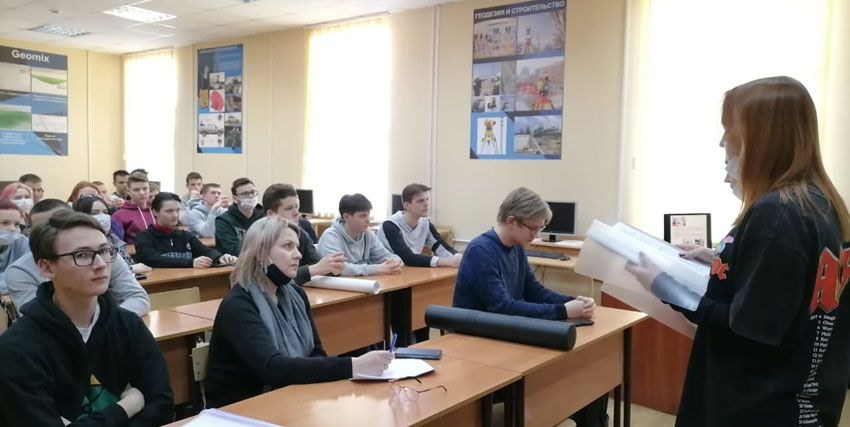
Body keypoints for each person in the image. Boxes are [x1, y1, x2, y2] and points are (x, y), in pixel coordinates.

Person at [625, 76, 850, 427]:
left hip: (755, 404)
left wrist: (666, 287)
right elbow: (788, 287)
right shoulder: (821, 204)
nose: (722, 142)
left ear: (762, 136)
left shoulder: (777, 213)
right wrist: (724, 257)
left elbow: (746, 329)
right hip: (803, 398)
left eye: (729, 130)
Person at [0, 210, 172, 425]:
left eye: (104, 251)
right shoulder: (17, 347)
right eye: (82, 255)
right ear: (47, 267)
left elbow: (162, 405)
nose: (100, 264)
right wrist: (125, 407)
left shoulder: (128, 325)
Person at [453, 187, 605, 427]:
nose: (536, 235)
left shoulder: (516, 247)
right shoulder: (480, 250)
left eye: (540, 229)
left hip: (504, 332)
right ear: (511, 221)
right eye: (533, 228)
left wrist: (572, 301)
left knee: (590, 379)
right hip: (480, 342)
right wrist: (563, 311)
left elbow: (534, 291)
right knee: (564, 377)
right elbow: (502, 307)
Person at [205, 216, 392, 408]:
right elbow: (271, 368)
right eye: (288, 246)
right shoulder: (239, 305)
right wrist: (353, 365)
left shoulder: (295, 294)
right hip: (239, 409)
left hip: (288, 397)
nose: (298, 255)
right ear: (261, 253)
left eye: (297, 246)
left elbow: (316, 352)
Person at [7, 199, 150, 317]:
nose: (53, 231)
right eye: (43, 228)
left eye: (62, 223)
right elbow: (38, 318)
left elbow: (138, 298)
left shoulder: (105, 254)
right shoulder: (20, 270)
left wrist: (107, 323)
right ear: (31, 232)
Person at [262, 184, 345, 285]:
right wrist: (313, 269)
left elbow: (317, 263)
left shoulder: (301, 234)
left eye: (297, 207)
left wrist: (332, 267)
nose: (296, 213)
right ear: (271, 214)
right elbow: (270, 279)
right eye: (289, 208)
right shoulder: (258, 239)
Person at [135, 192, 237, 268]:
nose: (175, 215)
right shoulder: (144, 237)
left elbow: (204, 251)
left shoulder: (185, 236)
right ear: (155, 212)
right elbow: (151, 259)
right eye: (169, 211)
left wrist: (219, 257)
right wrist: (190, 262)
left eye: (177, 210)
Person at [379, 183, 462, 268]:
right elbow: (407, 258)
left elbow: (440, 246)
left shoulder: (425, 223)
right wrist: (447, 261)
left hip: (410, 269)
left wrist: (459, 258)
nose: (426, 204)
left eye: (427, 199)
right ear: (406, 205)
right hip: (387, 270)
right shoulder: (390, 225)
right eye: (420, 201)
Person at [317, 193, 402, 276]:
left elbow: (385, 255)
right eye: (362, 216)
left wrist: (395, 261)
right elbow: (338, 268)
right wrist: (377, 269)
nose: (368, 220)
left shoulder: (367, 233)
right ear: (346, 217)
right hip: (334, 284)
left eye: (368, 215)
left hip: (361, 283)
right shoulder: (331, 236)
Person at [73, 194, 151, 275]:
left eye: (105, 212)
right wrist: (130, 269)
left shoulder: (112, 238)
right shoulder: (80, 243)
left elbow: (127, 261)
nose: (103, 216)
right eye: (95, 213)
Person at [215, 177, 264, 256]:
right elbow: (232, 249)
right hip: (237, 261)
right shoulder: (223, 220)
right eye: (245, 194)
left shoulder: (264, 216)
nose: (250, 196)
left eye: (253, 192)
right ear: (235, 199)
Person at [111, 172, 154, 245]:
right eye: (136, 190)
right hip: (133, 251)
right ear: (129, 191)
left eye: (145, 188)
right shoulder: (119, 215)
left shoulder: (156, 211)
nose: (142, 193)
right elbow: (115, 244)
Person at [0, 201, 29, 294]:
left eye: (16, 224)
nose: (12, 229)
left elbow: (25, 276)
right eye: (5, 223)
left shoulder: (23, 242)